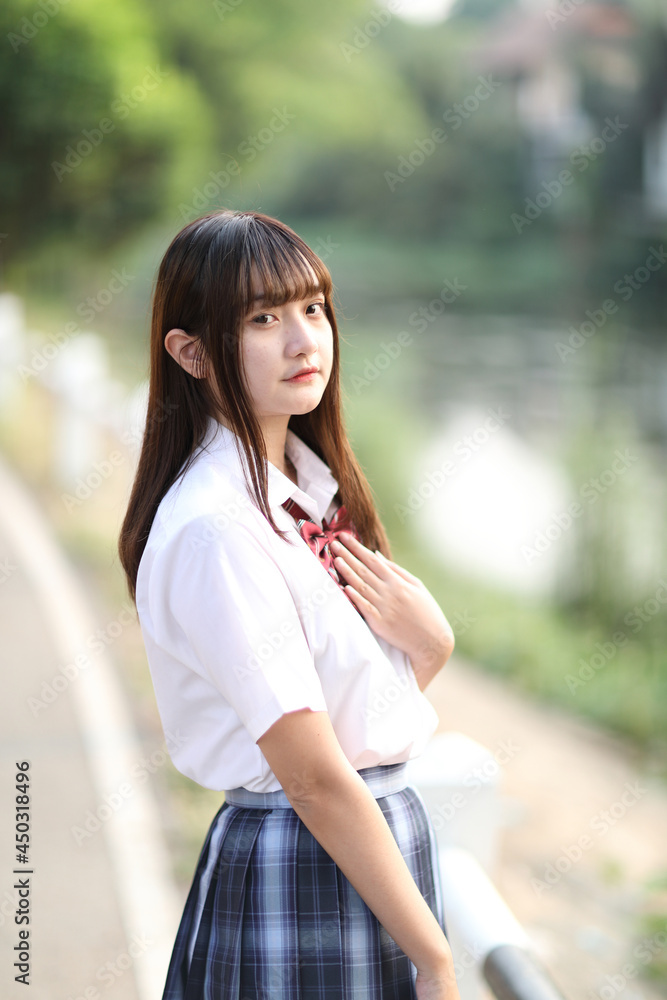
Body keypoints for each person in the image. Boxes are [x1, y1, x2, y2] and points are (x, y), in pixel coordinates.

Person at [118, 209, 460, 1000]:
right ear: (190, 352)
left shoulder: (304, 498)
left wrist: (430, 648)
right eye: (264, 319)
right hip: (304, 859)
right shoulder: (217, 532)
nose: (305, 340)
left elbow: (341, 724)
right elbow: (310, 776)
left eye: (312, 308)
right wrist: (437, 960)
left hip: (354, 852)